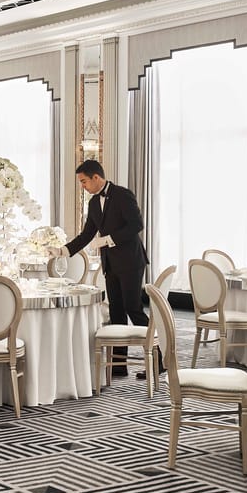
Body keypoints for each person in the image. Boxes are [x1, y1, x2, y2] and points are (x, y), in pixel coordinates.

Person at [51, 159, 156, 379]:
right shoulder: (92, 203)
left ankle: (159, 359)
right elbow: (87, 234)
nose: (83, 186)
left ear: (96, 177)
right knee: (116, 311)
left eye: (84, 182)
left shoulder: (123, 194)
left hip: (130, 262)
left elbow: (137, 225)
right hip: (111, 265)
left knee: (133, 309)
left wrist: (109, 239)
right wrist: (63, 251)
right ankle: (119, 365)